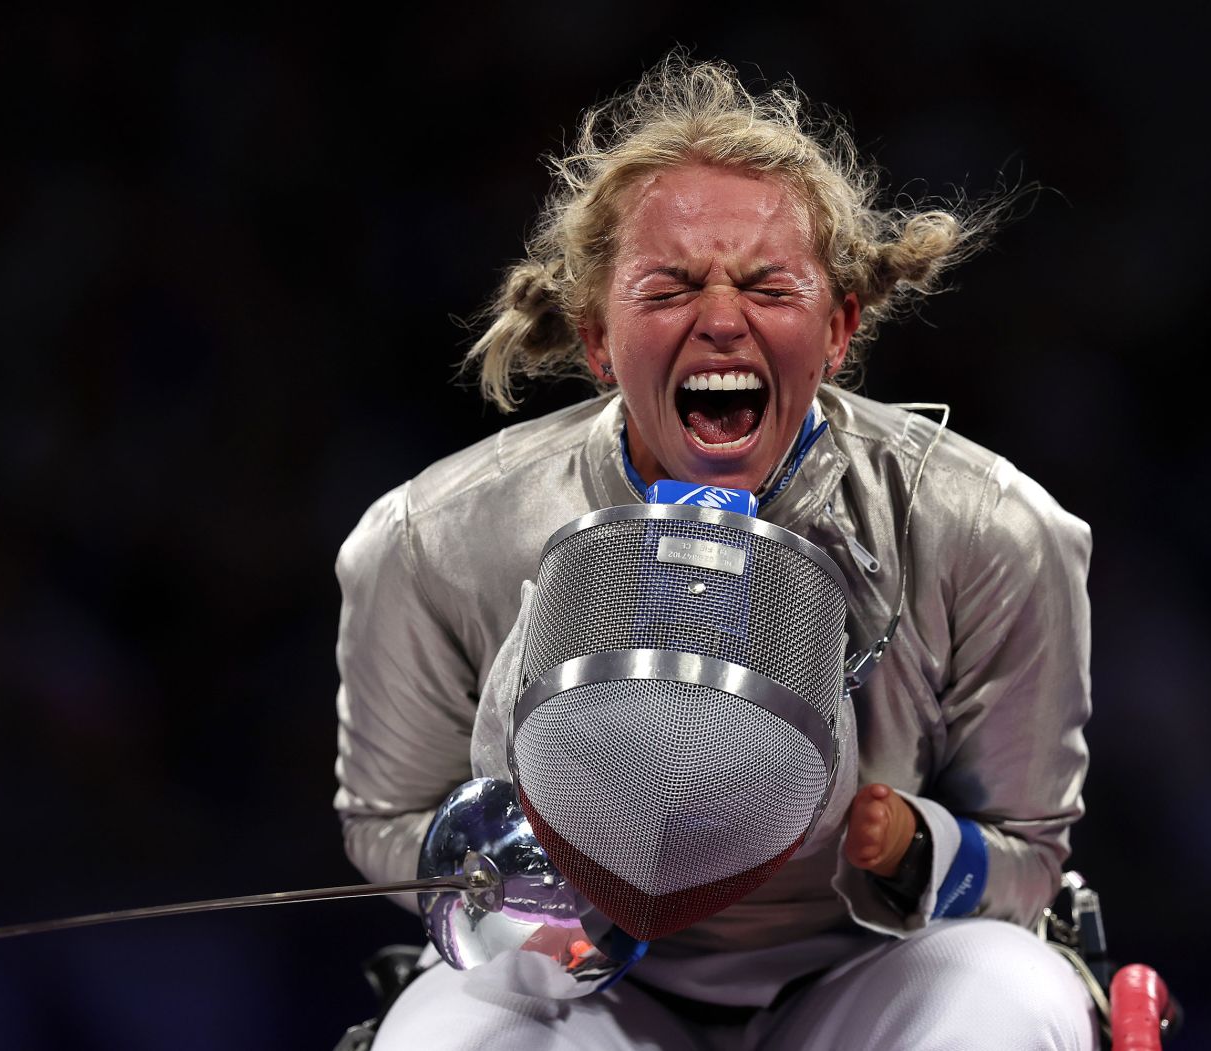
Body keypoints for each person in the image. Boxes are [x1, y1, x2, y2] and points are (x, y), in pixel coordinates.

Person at [333, 56, 1096, 1050]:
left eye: (769, 285)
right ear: (598, 339)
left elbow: (1030, 848)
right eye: (671, 286)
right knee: (444, 1035)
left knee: (1011, 994)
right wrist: (521, 885)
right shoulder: (430, 539)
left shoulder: (991, 529)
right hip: (586, 993)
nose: (723, 318)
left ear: (838, 329)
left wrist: (923, 845)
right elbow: (387, 816)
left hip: (870, 976)